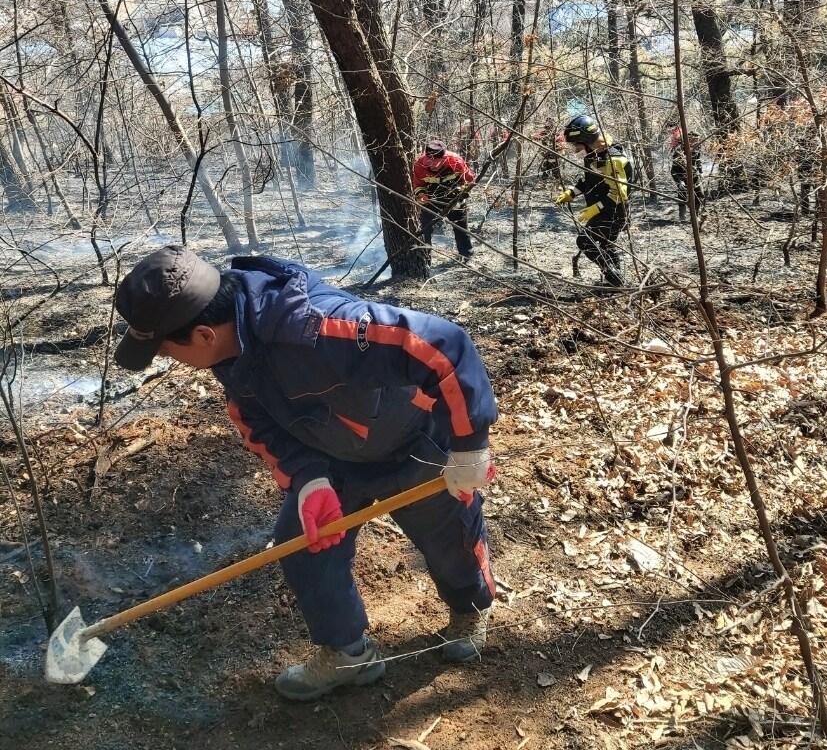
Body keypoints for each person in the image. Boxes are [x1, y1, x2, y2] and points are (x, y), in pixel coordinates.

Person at [113, 246, 497, 701]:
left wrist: (469, 444)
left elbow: (443, 345)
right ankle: (347, 653)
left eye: (165, 350)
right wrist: (308, 477)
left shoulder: (321, 325)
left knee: (451, 538)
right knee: (306, 549)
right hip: (330, 463)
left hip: (414, 445)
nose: (168, 360)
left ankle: (470, 610)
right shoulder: (228, 353)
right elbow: (258, 423)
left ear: (200, 335)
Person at [553, 113, 632, 286]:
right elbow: (589, 181)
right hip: (603, 210)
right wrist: (572, 193)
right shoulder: (593, 155)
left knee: (585, 241)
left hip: (614, 211)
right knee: (606, 245)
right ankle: (616, 283)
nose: (575, 149)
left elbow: (620, 194)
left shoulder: (613, 159)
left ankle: (614, 278)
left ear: (587, 141)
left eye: (577, 144)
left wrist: (596, 209)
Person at [413, 138, 476, 260]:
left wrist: (462, 190)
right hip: (431, 199)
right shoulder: (420, 164)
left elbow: (470, 179)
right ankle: (425, 257)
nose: (432, 166)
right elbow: (418, 185)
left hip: (453, 197)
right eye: (429, 162)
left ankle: (466, 255)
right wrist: (422, 196)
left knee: (460, 226)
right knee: (425, 227)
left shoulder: (455, 161)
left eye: (436, 162)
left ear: (444, 158)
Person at [668, 124, 704, 222]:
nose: (696, 142)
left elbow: (698, 161)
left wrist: (701, 172)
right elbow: (674, 170)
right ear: (688, 140)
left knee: (700, 194)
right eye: (693, 140)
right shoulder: (679, 151)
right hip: (682, 176)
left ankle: (695, 215)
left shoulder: (697, 148)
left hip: (694, 175)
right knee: (682, 195)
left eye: (697, 140)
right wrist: (679, 181)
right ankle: (682, 216)